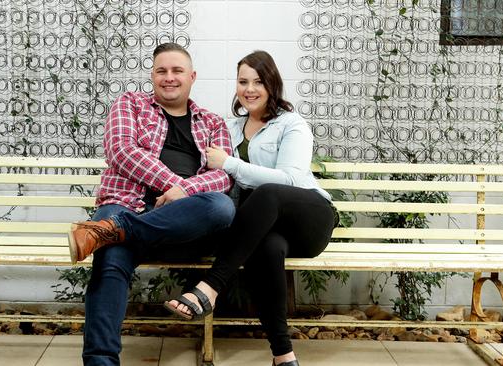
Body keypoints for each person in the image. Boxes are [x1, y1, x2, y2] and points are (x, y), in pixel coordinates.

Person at [164, 50, 339, 366]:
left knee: (269, 192)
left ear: (272, 84)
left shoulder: (291, 124)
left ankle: (210, 287)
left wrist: (230, 162)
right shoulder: (229, 128)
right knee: (267, 248)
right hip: (268, 229)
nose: (249, 89)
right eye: (243, 81)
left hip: (309, 218)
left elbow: (293, 179)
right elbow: (221, 182)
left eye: (258, 81)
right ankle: (283, 356)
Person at [68, 42, 236, 366]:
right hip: (125, 202)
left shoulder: (212, 123)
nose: (169, 77)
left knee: (221, 207)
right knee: (111, 257)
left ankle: (114, 230)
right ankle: (101, 362)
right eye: (162, 71)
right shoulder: (130, 104)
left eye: (177, 71)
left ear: (192, 77)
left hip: (183, 224)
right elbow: (121, 151)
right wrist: (173, 184)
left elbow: (224, 177)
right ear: (152, 75)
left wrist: (183, 192)